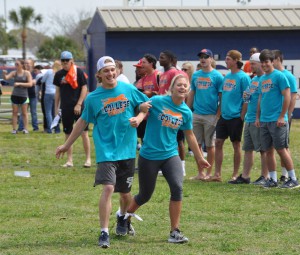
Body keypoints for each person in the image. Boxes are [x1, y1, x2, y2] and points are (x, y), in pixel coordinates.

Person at [55, 56, 150, 248]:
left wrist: (139, 117)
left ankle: (122, 217)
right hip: (107, 151)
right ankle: (104, 232)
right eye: (106, 70)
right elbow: (82, 122)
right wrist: (66, 145)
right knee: (108, 187)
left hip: (128, 150)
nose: (110, 73)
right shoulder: (93, 98)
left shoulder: (128, 89)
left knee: (125, 194)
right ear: (99, 74)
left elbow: (146, 105)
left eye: (112, 69)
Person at [127, 74, 210, 244]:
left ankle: (175, 231)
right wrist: (138, 117)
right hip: (149, 155)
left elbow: (190, 136)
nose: (182, 87)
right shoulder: (158, 101)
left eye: (185, 86)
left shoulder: (186, 112)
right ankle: (124, 218)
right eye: (179, 85)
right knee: (144, 195)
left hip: (170, 155)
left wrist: (200, 158)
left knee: (177, 187)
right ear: (171, 88)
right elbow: (143, 110)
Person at [256, 49, 299, 189]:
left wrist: (282, 116)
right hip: (264, 120)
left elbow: (287, 95)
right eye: (262, 62)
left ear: (272, 61)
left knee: (281, 149)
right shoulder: (262, 79)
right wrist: (258, 117)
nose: (264, 65)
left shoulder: (279, 76)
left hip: (277, 120)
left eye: (266, 62)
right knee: (268, 150)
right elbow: (261, 98)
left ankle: (293, 178)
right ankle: (273, 179)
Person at [208, 50, 251, 182]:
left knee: (236, 144)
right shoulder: (226, 77)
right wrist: (219, 114)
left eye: (228, 59)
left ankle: (234, 173)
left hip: (236, 116)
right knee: (218, 142)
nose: (226, 61)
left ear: (236, 61)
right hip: (224, 116)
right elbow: (223, 97)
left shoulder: (243, 77)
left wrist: (242, 115)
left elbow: (247, 97)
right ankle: (217, 174)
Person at [228, 53, 269, 185]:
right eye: (250, 63)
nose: (250, 66)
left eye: (253, 64)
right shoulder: (253, 79)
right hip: (249, 118)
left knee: (263, 149)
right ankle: (245, 176)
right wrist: (243, 115)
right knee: (248, 148)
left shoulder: (264, 79)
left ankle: (265, 176)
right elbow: (248, 98)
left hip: (259, 119)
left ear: (261, 63)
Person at [187, 49, 223, 180]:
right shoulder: (196, 75)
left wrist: (217, 115)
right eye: (201, 57)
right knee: (196, 145)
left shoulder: (217, 76)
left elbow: (222, 97)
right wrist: (187, 110)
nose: (203, 59)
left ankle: (209, 173)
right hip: (196, 114)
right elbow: (192, 93)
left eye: (206, 57)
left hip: (210, 115)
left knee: (210, 145)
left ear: (211, 59)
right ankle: (200, 173)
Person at [53, 51, 91, 168]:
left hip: (79, 107)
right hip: (66, 107)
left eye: (67, 60)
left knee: (84, 133)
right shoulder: (58, 74)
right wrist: (56, 108)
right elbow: (58, 92)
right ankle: (70, 160)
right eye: (63, 60)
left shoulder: (79, 72)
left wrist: (79, 104)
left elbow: (84, 89)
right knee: (68, 133)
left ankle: (88, 159)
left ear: (71, 61)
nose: (65, 63)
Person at [158, 50, 188, 175]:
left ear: (170, 59)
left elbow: (182, 90)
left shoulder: (175, 72)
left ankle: (181, 166)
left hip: (174, 110)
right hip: (163, 110)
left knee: (179, 139)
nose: (160, 59)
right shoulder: (163, 74)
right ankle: (165, 165)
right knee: (166, 138)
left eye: (162, 57)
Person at [272, 49, 298, 183]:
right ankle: (284, 175)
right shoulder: (273, 75)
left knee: (283, 146)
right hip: (274, 115)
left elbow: (293, 95)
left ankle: (286, 175)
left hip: (284, 116)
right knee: (278, 146)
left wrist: (288, 113)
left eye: (271, 59)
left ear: (277, 59)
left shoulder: (287, 75)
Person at [2, 59, 32, 134]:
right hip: (14, 95)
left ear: (22, 65)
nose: (16, 66)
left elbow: (30, 84)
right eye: (15, 64)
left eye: (17, 64)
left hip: (24, 95)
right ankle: (14, 129)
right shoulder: (14, 73)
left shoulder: (27, 73)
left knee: (24, 113)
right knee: (14, 112)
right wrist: (4, 74)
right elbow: (6, 78)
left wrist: (19, 84)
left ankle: (25, 129)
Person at [135, 54, 161, 142]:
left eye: (144, 62)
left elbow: (165, 93)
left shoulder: (159, 75)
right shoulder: (144, 78)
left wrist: (152, 93)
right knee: (145, 138)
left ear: (151, 63)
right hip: (147, 113)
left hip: (158, 113)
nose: (141, 65)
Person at [18, 59, 39, 131]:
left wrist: (27, 83)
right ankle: (21, 127)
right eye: (25, 63)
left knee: (34, 112)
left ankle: (35, 127)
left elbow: (34, 82)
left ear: (32, 64)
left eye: (28, 63)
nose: (27, 65)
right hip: (24, 95)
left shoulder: (35, 73)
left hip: (33, 95)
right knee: (23, 112)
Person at [42, 60, 62, 133]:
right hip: (56, 92)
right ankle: (57, 128)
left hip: (48, 92)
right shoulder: (59, 73)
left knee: (48, 112)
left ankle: (50, 128)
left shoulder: (49, 71)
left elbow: (43, 80)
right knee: (55, 111)